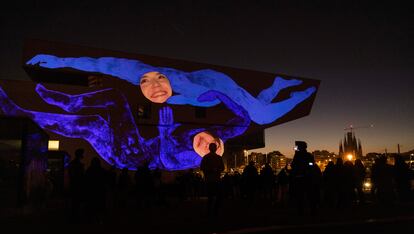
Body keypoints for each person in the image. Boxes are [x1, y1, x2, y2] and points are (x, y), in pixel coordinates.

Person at [0, 86, 248, 171]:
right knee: (90, 125)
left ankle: (61, 102)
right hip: (125, 152)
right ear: (216, 140)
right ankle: (20, 112)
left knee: (116, 99)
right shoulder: (220, 133)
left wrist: (163, 132)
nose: (202, 145)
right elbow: (244, 118)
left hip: (134, 155)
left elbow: (168, 161)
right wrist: (219, 94)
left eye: (202, 151)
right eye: (207, 143)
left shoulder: (190, 158)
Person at [26, 54, 317, 125]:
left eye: (157, 81)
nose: (154, 88)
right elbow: (205, 102)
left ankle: (299, 94)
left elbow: (96, 62)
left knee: (262, 117)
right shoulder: (175, 100)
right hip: (208, 89)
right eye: (147, 87)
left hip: (213, 80)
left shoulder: (130, 69)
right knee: (254, 109)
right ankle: (278, 87)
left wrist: (57, 61)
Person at [200, 143, 225, 218]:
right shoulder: (217, 158)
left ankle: (211, 212)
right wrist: (214, 170)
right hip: (214, 180)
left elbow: (202, 167)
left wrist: (211, 170)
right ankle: (213, 212)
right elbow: (222, 168)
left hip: (211, 180)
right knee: (215, 197)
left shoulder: (206, 157)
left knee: (212, 197)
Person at [68, 148, 85, 222]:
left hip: (74, 186)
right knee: (76, 203)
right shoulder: (78, 165)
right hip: (77, 186)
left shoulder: (72, 164)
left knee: (74, 203)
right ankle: (75, 217)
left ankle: (73, 216)